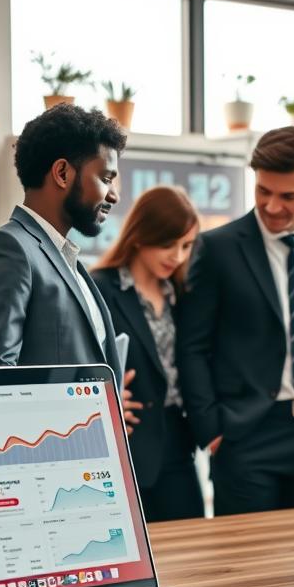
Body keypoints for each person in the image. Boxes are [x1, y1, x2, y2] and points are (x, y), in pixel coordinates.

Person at [178, 125, 294, 517]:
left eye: (288, 196)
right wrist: (211, 429)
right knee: (245, 568)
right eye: (263, 191)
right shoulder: (218, 249)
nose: (272, 206)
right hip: (247, 435)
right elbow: (192, 345)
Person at [0, 103, 128, 387]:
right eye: (105, 178)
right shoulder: (8, 249)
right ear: (62, 173)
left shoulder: (69, 261)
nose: (113, 196)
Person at [91, 186, 203, 522]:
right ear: (141, 237)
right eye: (169, 245)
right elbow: (80, 362)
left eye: (186, 246)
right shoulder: (102, 288)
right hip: (129, 443)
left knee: (191, 552)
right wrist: (104, 400)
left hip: (179, 441)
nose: (178, 256)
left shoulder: (182, 292)